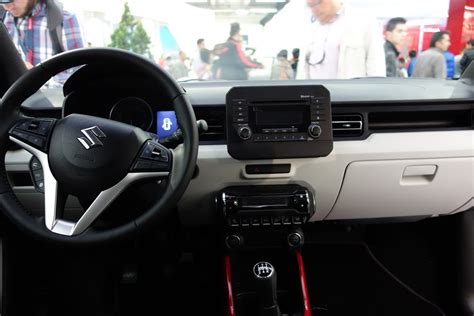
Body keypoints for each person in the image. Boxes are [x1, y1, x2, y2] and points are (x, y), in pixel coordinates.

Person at [299, 0, 386, 79]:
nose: (314, 10)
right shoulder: (311, 30)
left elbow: (376, 67)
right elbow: (303, 72)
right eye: (310, 6)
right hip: (315, 93)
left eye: (318, 3)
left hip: (350, 93)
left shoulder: (364, 21)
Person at [1, 0, 84, 70]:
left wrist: (37, 75)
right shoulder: (8, 17)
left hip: (53, 87)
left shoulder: (66, 18)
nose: (8, 7)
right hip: (20, 87)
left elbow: (79, 69)